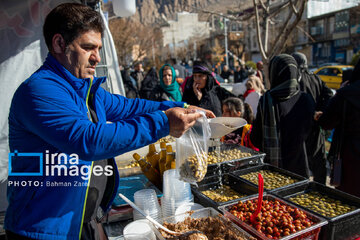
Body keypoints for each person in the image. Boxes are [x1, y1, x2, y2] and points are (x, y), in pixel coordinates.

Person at [5, 3, 215, 240]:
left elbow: (130, 107)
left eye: (98, 48)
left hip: (78, 222)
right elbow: (88, 141)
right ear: (59, 44)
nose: (97, 58)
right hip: (40, 230)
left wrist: (180, 107)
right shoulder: (39, 91)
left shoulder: (85, 89)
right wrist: (163, 123)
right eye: (88, 48)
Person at [250, 54, 315, 178]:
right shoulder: (306, 99)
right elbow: (312, 137)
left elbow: (255, 139)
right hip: (300, 168)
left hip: (274, 171)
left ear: (274, 73)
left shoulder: (267, 101)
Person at [315, 59, 360, 197]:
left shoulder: (346, 94)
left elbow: (327, 122)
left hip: (351, 159)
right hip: (350, 157)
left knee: (348, 203)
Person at [292, 52, 333, 184]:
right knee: (318, 161)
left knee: (301, 163)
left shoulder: (295, 80)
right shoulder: (316, 78)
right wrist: (320, 111)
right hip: (315, 126)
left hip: (299, 127)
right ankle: (320, 189)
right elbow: (329, 95)